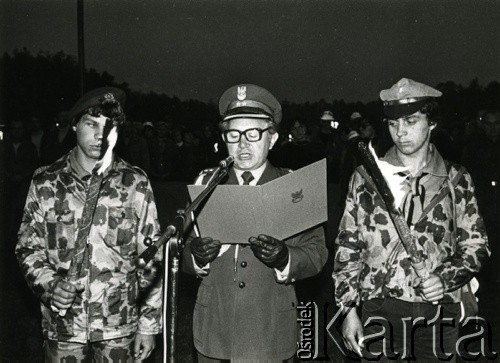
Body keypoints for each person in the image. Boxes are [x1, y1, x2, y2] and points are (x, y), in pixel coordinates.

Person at [332, 78, 490, 361]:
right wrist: (348, 309)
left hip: (440, 310)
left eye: (411, 121)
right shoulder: (366, 178)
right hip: (380, 308)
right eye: (393, 124)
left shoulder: (456, 179)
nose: (400, 133)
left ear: (432, 123)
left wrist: (445, 278)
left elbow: (476, 246)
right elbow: (348, 247)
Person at [15, 87, 163, 362]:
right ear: (74, 125)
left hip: (119, 327)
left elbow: (152, 257)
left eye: (109, 126)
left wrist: (148, 325)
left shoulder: (135, 183)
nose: (100, 135)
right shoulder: (46, 182)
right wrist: (50, 286)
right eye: (91, 124)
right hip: (64, 328)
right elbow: (27, 249)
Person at [183, 84, 328, 362]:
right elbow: (181, 249)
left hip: (270, 329)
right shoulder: (205, 183)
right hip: (215, 328)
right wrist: (196, 257)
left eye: (253, 133)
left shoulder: (293, 185)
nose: (243, 144)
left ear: (272, 139)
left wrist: (286, 258)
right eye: (233, 134)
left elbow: (317, 252)